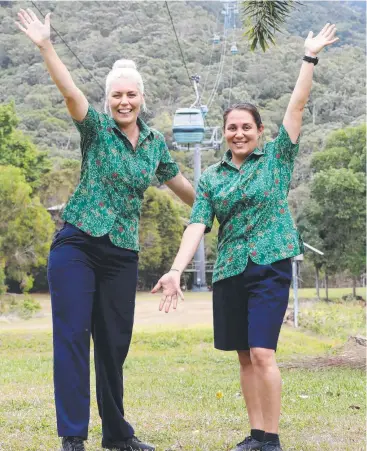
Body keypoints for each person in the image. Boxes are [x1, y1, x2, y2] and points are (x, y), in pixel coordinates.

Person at [15, 8, 195, 451]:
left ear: (141, 97)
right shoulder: (95, 130)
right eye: (117, 95)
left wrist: (218, 210)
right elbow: (70, 91)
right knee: (73, 337)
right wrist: (45, 46)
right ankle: (72, 437)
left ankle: (117, 435)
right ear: (108, 98)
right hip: (77, 243)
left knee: (114, 346)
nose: (124, 102)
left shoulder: (155, 144)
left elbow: (184, 188)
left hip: (121, 253)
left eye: (131, 95)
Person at [152, 24, 338, 451]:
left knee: (262, 353)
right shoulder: (213, 178)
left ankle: (271, 439)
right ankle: (255, 434)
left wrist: (308, 58)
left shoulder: (276, 159)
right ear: (224, 132)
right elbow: (197, 223)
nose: (238, 133)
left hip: (270, 264)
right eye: (231, 127)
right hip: (232, 270)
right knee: (242, 355)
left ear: (259, 129)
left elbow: (297, 107)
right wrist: (176, 270)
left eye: (246, 126)